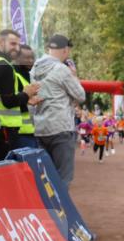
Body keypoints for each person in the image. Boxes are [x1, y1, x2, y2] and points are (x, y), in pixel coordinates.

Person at [0, 29, 41, 161]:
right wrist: (26, 94)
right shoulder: (3, 66)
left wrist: (25, 99)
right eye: (13, 44)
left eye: (18, 45)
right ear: (1, 42)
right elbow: (8, 102)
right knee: (2, 169)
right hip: (3, 127)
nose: (16, 48)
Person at [32, 34, 85, 185]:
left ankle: (47, 208)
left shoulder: (34, 68)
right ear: (65, 50)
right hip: (61, 128)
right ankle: (61, 208)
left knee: (46, 177)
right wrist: (74, 76)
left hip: (40, 128)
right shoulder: (62, 70)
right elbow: (80, 95)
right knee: (63, 177)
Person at [10, 44, 39, 149]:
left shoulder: (29, 75)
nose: (30, 60)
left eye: (32, 57)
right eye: (26, 58)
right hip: (20, 132)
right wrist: (27, 100)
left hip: (32, 131)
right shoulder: (13, 75)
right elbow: (11, 100)